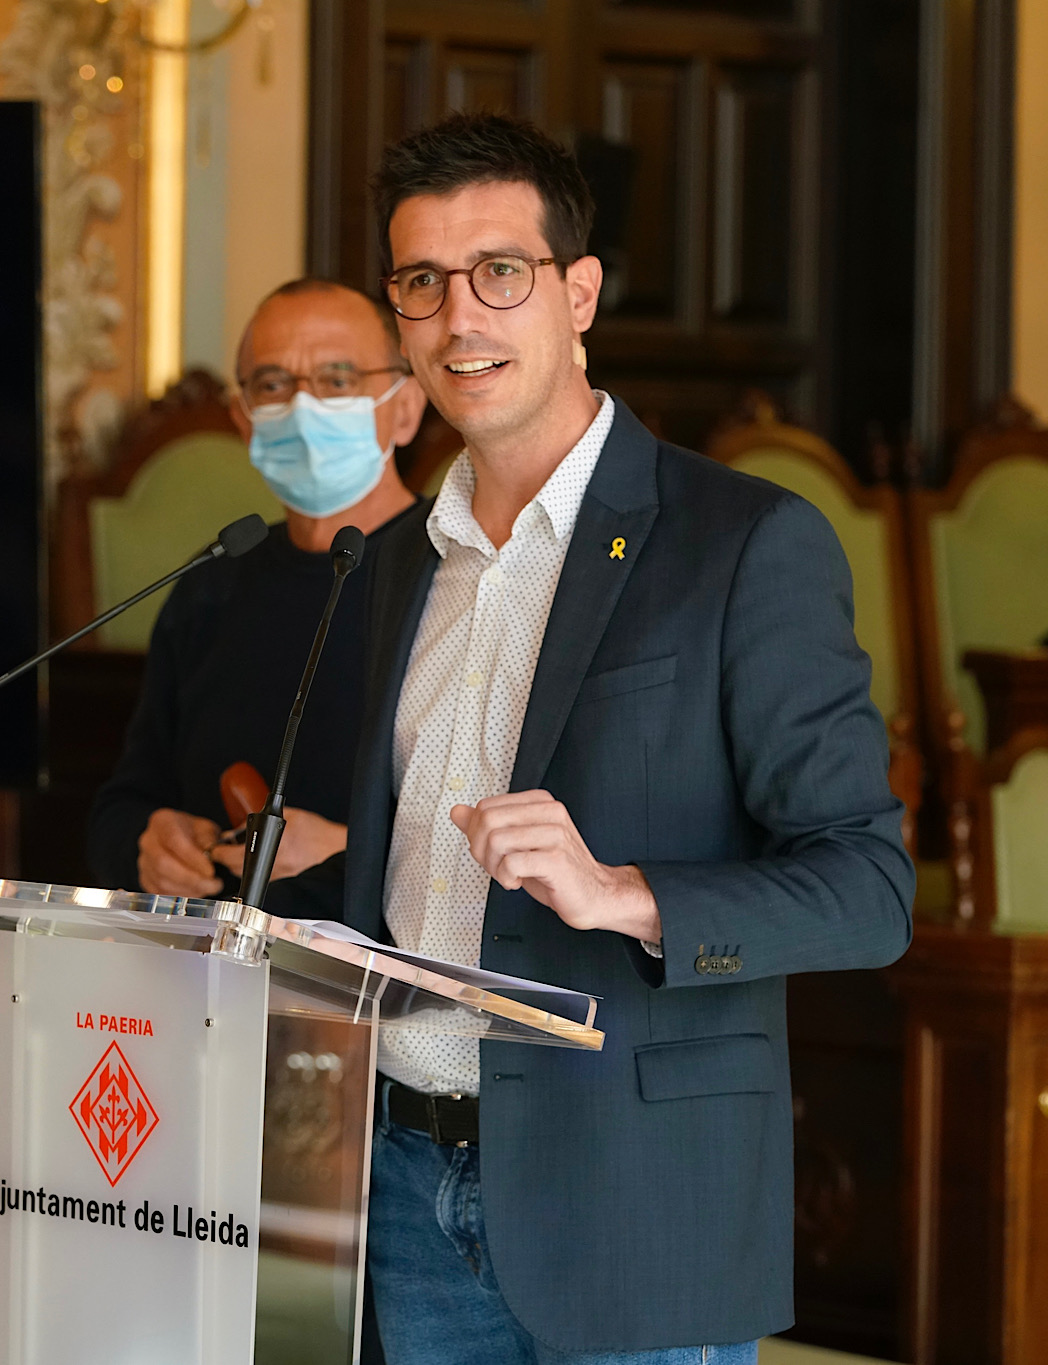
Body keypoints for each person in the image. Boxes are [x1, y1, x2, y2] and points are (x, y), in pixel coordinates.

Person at [273, 113, 913, 1363]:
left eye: (497, 272)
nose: (458, 317)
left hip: (635, 1206)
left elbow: (867, 890)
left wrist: (622, 893)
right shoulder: (394, 564)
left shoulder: (741, 543)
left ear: (578, 295)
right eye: (421, 282)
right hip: (402, 1186)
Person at [87, 278, 426, 898]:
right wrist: (149, 845)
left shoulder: (456, 572)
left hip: (379, 955)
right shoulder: (212, 581)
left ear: (406, 407)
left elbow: (498, 844)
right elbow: (122, 805)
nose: (303, 407)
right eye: (273, 385)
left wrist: (349, 855)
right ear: (243, 421)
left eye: (337, 380)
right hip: (206, 948)